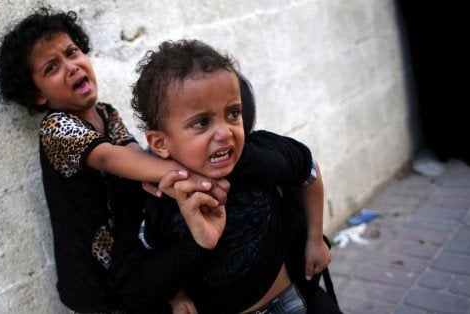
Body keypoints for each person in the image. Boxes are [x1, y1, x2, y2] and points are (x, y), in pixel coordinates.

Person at [0, 8, 227, 313]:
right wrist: (191, 176)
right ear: (37, 94)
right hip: (95, 282)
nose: (71, 67)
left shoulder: (106, 113)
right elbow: (109, 158)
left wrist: (168, 177)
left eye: (72, 52)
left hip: (131, 262)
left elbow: (134, 157)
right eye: (52, 67)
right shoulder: (55, 127)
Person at [110, 39, 333, 313]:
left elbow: (308, 170)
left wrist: (315, 239)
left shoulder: (259, 157)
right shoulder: (160, 195)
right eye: (202, 122)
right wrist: (176, 296)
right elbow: (151, 268)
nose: (225, 132)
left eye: (233, 113)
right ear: (160, 143)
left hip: (290, 300)